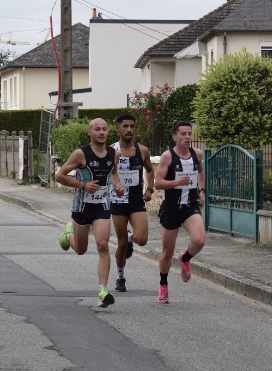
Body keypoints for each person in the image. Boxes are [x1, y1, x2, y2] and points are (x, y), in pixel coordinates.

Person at [55, 118, 124, 308]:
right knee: (81, 249)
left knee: (103, 245)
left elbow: (113, 173)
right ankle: (68, 235)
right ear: (90, 133)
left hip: (102, 205)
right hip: (82, 207)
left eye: (104, 129)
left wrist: (118, 186)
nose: (101, 132)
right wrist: (82, 185)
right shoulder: (81, 154)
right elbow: (59, 176)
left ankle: (102, 291)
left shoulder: (114, 154)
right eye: (97, 129)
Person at [154, 120, 206, 303]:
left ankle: (185, 258)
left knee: (199, 240)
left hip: (190, 206)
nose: (187, 137)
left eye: (189, 133)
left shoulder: (197, 154)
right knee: (167, 252)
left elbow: (200, 172)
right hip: (171, 208)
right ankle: (163, 284)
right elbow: (158, 183)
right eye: (183, 134)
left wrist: (202, 190)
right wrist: (177, 182)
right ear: (174, 137)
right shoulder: (167, 157)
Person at [109, 113, 155, 292]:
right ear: (118, 129)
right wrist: (114, 185)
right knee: (121, 243)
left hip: (136, 200)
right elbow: (107, 173)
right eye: (125, 126)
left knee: (141, 240)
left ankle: (131, 237)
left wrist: (150, 189)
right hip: (118, 200)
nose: (129, 130)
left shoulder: (142, 150)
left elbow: (150, 170)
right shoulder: (111, 151)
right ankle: (120, 276)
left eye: (132, 126)